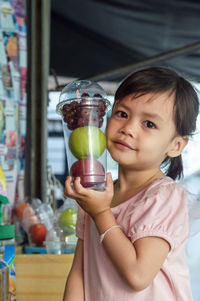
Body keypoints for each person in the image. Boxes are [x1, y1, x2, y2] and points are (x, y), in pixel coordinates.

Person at [62, 66, 199, 301]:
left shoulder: (164, 197)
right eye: (122, 114)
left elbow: (137, 275)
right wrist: (96, 209)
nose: (128, 129)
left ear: (176, 145)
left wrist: (101, 212)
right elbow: (79, 272)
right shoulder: (96, 194)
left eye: (149, 124)